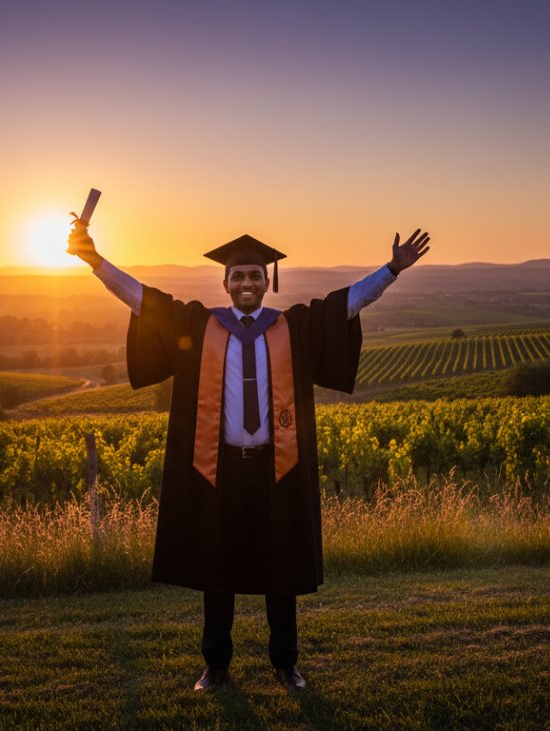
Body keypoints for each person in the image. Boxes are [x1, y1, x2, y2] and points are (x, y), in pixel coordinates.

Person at [67, 219, 430, 691]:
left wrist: (392, 270)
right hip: (217, 469)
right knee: (217, 568)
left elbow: (350, 301)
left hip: (276, 467)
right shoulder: (200, 326)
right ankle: (215, 665)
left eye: (255, 276)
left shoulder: (291, 327)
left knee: (282, 568)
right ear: (225, 283)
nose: (246, 284)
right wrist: (95, 261)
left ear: (267, 282)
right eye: (238, 276)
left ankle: (286, 663)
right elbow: (142, 299)